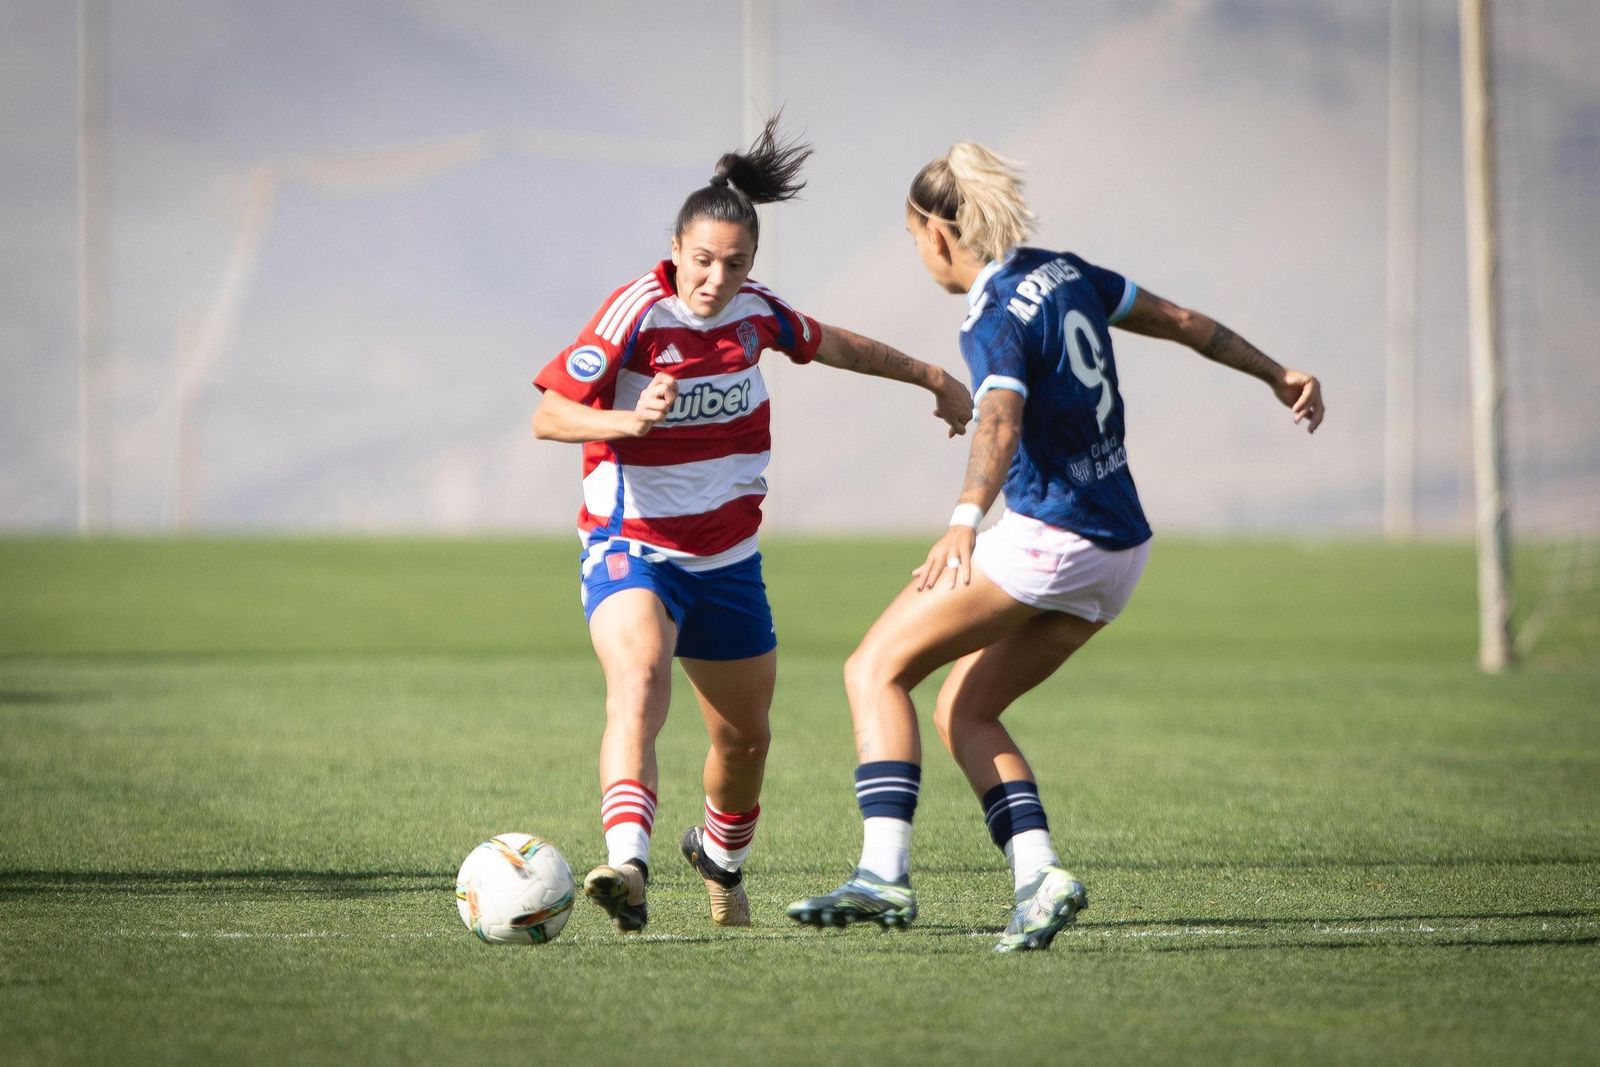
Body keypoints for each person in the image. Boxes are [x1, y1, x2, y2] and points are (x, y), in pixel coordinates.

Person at [786, 142, 1325, 952]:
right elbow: (1182, 322)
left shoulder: (993, 311)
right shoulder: (1067, 271)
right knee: (964, 707)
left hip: (1052, 537)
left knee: (873, 669)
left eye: (911, 236)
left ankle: (882, 874)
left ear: (937, 232)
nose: (916, 252)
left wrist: (966, 515)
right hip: (1121, 551)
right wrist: (1276, 371)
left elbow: (999, 414)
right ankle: (1040, 876)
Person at [531, 118, 973, 934]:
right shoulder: (634, 312)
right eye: (703, 260)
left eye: (734, 264)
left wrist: (933, 377)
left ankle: (721, 861)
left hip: (728, 560)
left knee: (745, 742)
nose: (715, 278)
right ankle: (628, 864)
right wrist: (627, 423)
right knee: (639, 681)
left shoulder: (757, 315)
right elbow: (549, 414)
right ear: (676, 247)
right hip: (636, 548)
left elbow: (836, 343)